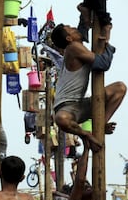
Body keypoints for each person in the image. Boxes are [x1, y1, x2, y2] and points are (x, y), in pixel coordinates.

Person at [50, 23, 126, 153]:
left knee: (120, 88)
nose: (75, 29)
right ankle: (86, 135)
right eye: (72, 29)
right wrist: (107, 40)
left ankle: (101, 124)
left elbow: (82, 32)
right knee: (61, 119)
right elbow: (103, 63)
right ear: (69, 38)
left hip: (81, 104)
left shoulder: (77, 46)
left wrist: (85, 16)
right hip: (66, 108)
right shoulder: (73, 48)